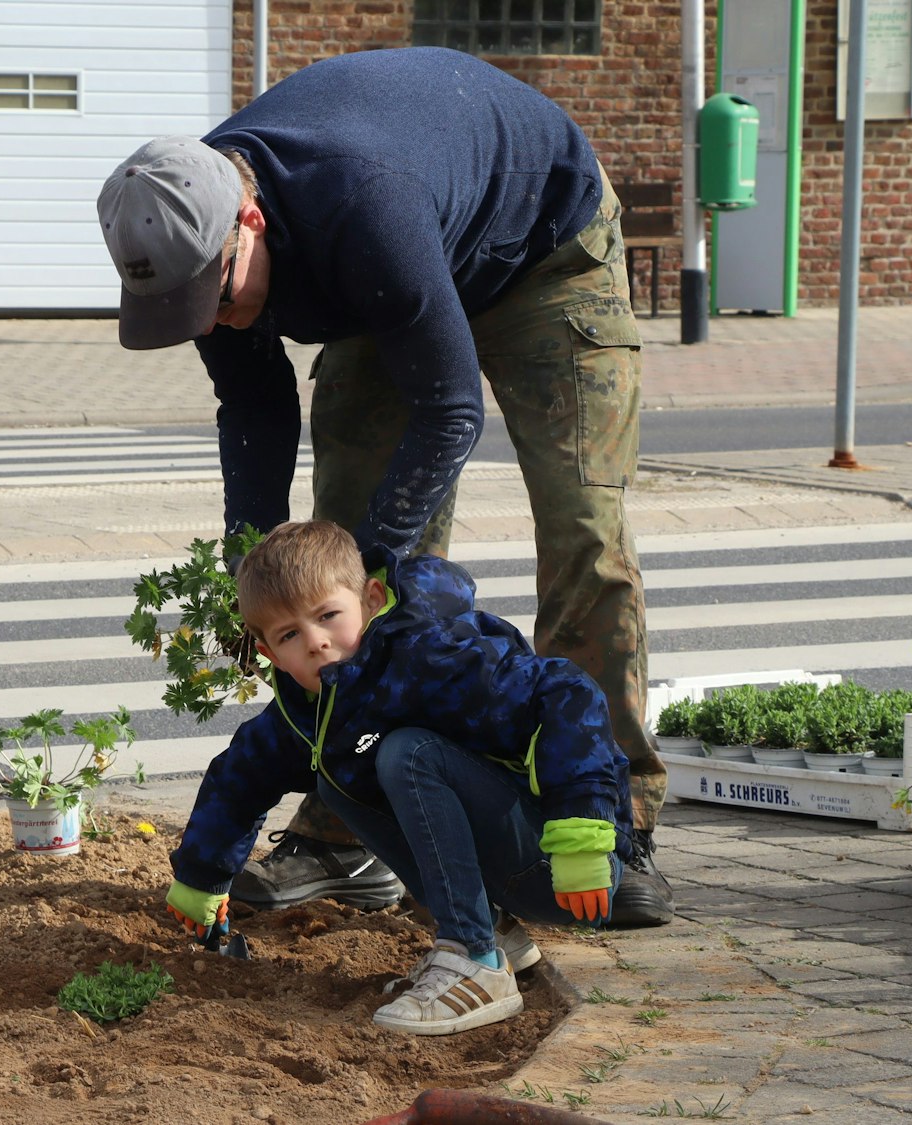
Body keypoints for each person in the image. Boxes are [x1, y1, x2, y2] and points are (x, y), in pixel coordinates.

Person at [95, 46, 671, 925]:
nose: (208, 323)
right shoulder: (192, 250)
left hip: (541, 250)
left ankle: (609, 823)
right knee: (329, 562)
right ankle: (343, 834)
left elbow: (450, 410)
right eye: (187, 311)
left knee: (579, 525)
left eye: (214, 298)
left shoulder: (359, 199)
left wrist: (372, 570)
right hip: (390, 282)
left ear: (247, 219)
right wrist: (253, 566)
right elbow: (254, 405)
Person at [162, 520, 632, 1035]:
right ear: (269, 653)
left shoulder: (427, 653)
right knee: (336, 780)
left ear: (372, 597)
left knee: (406, 754)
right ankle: (494, 936)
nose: (316, 642)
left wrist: (582, 830)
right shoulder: (310, 708)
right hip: (515, 870)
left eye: (328, 616)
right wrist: (201, 879)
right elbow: (241, 776)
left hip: (565, 859)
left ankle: (474, 961)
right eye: (290, 634)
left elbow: (569, 693)